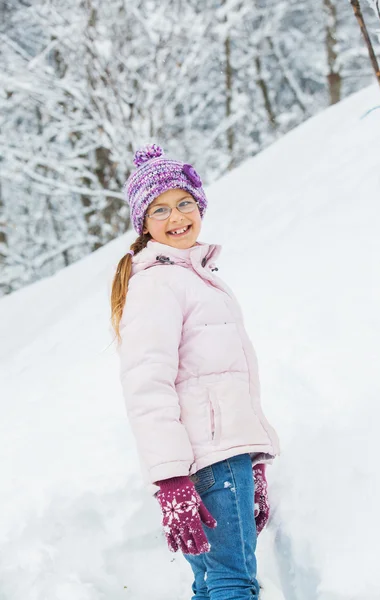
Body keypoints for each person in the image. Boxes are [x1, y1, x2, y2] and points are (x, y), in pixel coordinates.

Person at [110, 143, 280, 600]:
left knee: (211, 582)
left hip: (220, 458)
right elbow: (147, 386)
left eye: (185, 202)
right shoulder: (160, 283)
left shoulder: (195, 276)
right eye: (160, 209)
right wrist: (169, 479)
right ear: (144, 224)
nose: (177, 215)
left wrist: (254, 461)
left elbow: (227, 381)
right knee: (232, 582)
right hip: (208, 460)